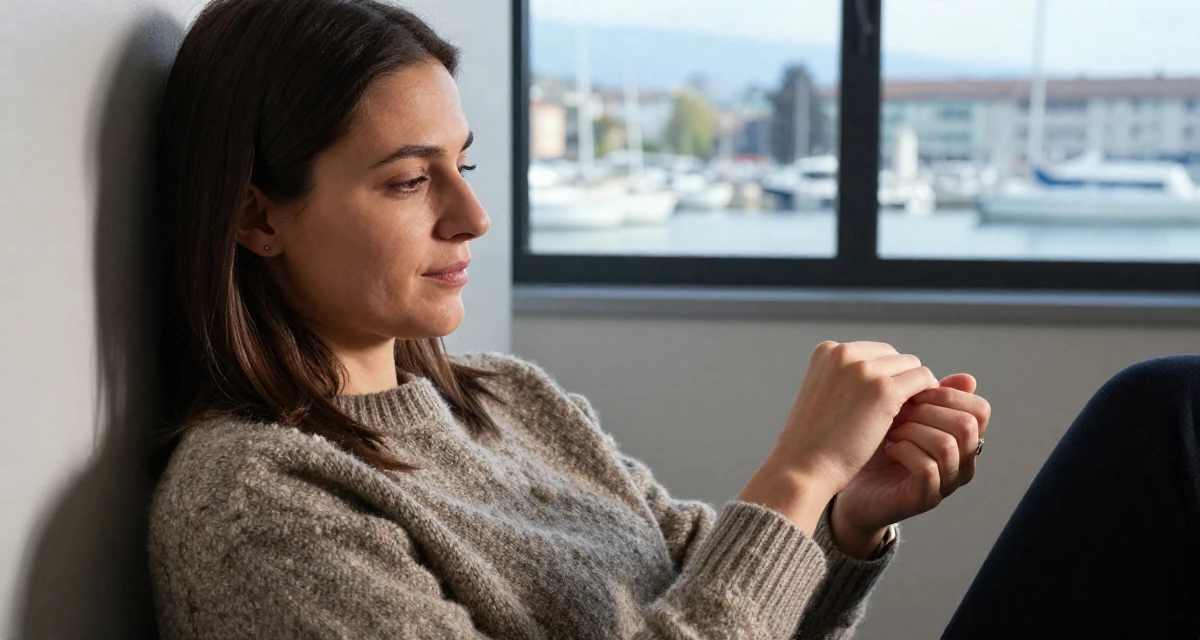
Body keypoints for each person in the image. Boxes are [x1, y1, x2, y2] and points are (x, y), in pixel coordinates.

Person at [149, 1, 993, 638]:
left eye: (464, 163)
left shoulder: (509, 399)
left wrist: (844, 520)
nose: (474, 217)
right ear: (256, 219)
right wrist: (799, 473)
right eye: (410, 181)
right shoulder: (256, 503)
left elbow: (717, 599)